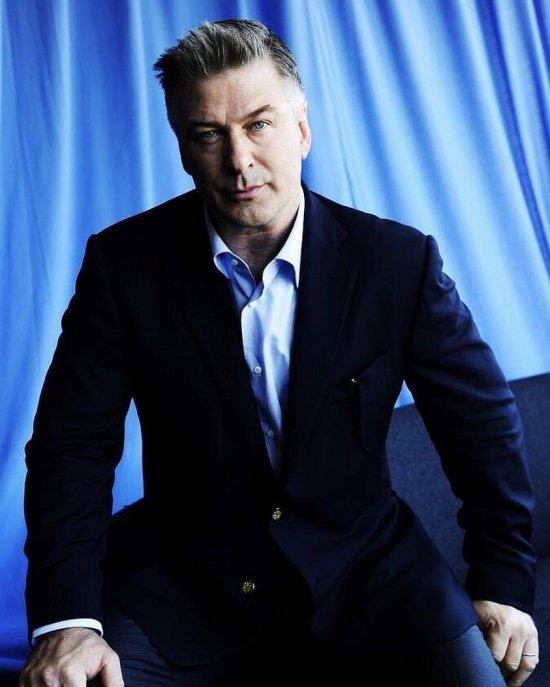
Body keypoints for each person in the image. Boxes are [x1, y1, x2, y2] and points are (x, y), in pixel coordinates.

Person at [19, 17, 539, 687]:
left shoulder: (396, 263)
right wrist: (67, 621)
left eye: (259, 124)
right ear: (183, 149)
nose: (239, 161)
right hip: (184, 586)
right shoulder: (124, 267)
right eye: (209, 134)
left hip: (369, 579)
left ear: (302, 129)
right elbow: (71, 447)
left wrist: (502, 582)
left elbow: (481, 427)